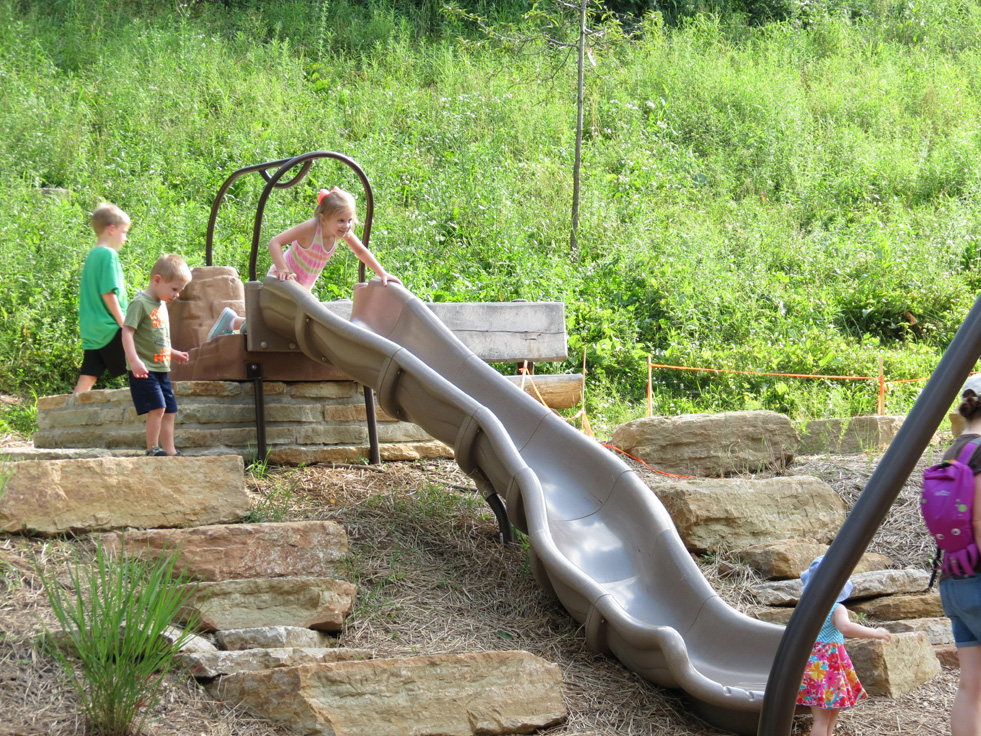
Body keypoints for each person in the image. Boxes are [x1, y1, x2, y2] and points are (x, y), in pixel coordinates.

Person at [207, 186, 401, 340]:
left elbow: (360, 251)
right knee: (279, 324)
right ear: (324, 219)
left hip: (302, 287)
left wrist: (382, 272)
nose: (347, 226)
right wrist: (283, 269)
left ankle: (232, 321)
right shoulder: (311, 228)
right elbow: (274, 242)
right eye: (341, 220)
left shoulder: (342, 233)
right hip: (282, 280)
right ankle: (234, 322)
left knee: (279, 325)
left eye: (350, 220)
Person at [796, 555, 891, 736]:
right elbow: (846, 628)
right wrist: (875, 633)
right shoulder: (836, 608)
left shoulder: (806, 606)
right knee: (823, 719)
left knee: (826, 715)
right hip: (828, 669)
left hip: (811, 666)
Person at [939, 373, 981, 736]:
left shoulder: (952, 450)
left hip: (953, 579)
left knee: (971, 685)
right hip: (980, 579)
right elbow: (980, 521)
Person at [121, 254, 193, 457]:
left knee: (170, 410)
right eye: (174, 289)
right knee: (158, 407)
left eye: (179, 290)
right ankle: (152, 447)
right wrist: (134, 361)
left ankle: (169, 450)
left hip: (161, 367)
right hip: (144, 368)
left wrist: (173, 353)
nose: (176, 295)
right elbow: (127, 332)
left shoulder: (161, 305)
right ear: (158, 279)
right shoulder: (140, 303)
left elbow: (155, 339)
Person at [73, 203, 131, 394]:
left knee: (89, 373)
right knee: (142, 361)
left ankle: (72, 412)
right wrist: (124, 324)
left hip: (92, 329)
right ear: (111, 229)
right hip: (110, 327)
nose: (126, 238)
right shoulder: (108, 254)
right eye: (124, 232)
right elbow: (108, 293)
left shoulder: (92, 255)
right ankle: (151, 408)